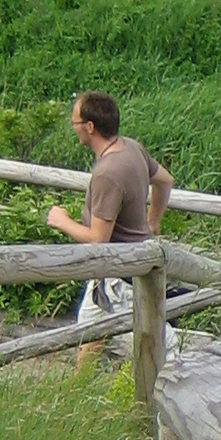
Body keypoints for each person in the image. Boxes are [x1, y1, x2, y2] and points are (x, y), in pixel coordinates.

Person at [46, 91, 176, 338]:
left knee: (160, 348)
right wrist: (153, 221)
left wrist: (62, 221)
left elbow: (98, 239)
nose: (73, 128)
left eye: (75, 123)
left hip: (119, 281)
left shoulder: (107, 173)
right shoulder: (132, 148)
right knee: (90, 339)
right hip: (115, 274)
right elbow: (165, 181)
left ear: (90, 127)